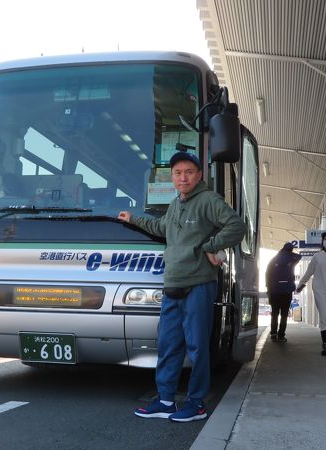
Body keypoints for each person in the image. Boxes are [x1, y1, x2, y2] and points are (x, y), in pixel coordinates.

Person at [118, 150, 245, 422]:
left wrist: (211, 247)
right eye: (177, 173)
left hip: (198, 284)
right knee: (168, 344)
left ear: (199, 175)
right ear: (172, 178)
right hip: (172, 285)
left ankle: (196, 403)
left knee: (198, 347)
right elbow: (162, 227)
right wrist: (133, 219)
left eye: (189, 172)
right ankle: (165, 400)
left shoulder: (209, 200)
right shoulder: (177, 203)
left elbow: (236, 226)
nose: (183, 177)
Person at [265, 242, 302, 343]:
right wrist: (290, 254)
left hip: (274, 291)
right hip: (286, 291)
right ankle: (281, 335)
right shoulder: (292, 259)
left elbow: (267, 275)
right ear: (290, 250)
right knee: (284, 315)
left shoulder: (273, 260)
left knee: (275, 313)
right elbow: (300, 256)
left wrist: (268, 289)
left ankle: (273, 333)